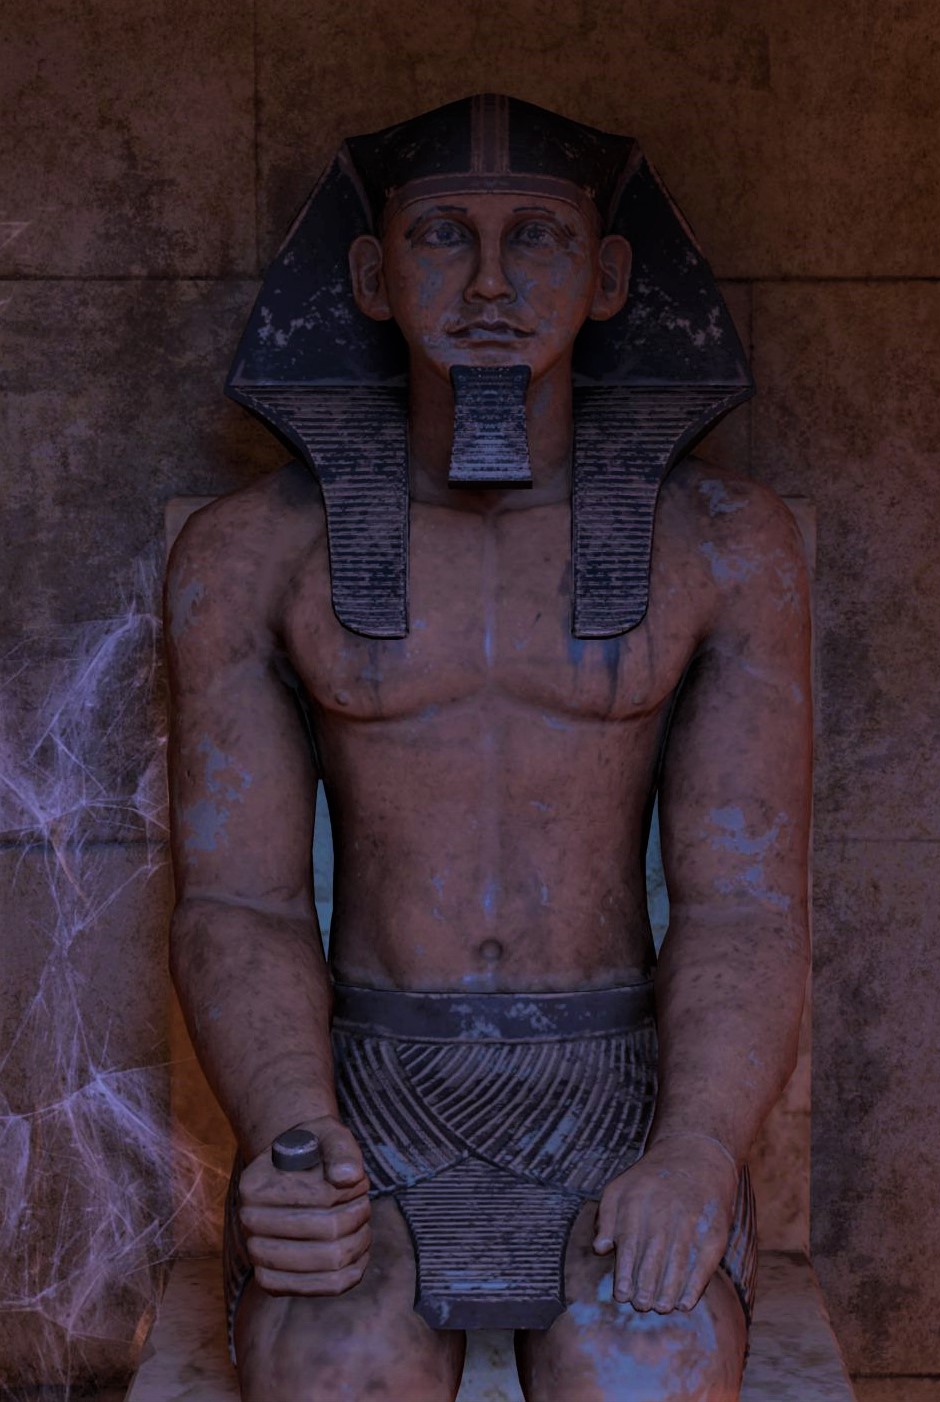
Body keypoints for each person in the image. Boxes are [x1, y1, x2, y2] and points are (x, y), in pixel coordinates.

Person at [165, 95, 811, 1401]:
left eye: (539, 236)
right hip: (368, 1097)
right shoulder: (251, 553)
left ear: (611, 274)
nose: (492, 284)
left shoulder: (726, 548)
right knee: (337, 1362)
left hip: (617, 1097)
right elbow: (240, 898)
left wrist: (697, 1146)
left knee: (642, 1365)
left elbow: (744, 900)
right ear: (371, 273)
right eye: (445, 234)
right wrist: (291, 1132)